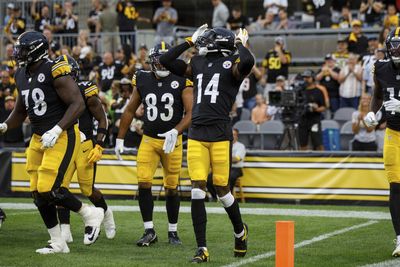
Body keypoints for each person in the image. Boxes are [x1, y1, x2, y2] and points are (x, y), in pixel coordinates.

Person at [0, 31, 104, 254]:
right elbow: (20, 111)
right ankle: (58, 242)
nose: (18, 53)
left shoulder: (54, 70)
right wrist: (5, 126)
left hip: (62, 135)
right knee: (38, 193)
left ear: (37, 50)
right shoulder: (21, 74)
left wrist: (57, 129)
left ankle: (90, 213)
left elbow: (77, 104)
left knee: (51, 188)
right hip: (38, 137)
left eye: (23, 49)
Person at [160, 25, 253, 262]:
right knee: (197, 189)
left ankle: (240, 231)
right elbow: (166, 59)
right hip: (197, 132)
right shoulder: (198, 63)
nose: (204, 42)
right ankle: (202, 248)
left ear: (219, 43)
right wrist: (190, 40)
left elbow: (248, 62)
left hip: (220, 132)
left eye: (207, 39)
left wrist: (241, 44)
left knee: (222, 189)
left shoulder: (233, 63)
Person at [115, 42, 193, 247]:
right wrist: (120, 137)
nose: (161, 64)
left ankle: (173, 232)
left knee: (172, 187)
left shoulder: (182, 79)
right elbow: (130, 109)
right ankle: (149, 230)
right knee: (143, 183)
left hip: (172, 141)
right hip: (148, 139)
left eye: (163, 60)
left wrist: (176, 131)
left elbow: (191, 112)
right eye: (157, 60)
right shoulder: (141, 78)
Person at [54, 55, 116, 243]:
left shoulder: (85, 90)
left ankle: (106, 214)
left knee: (87, 189)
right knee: (59, 187)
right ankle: (65, 230)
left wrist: (99, 144)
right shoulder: (53, 93)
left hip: (84, 145)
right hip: (64, 143)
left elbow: (103, 118)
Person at [364, 27, 400, 256]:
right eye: (394, 44)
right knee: (396, 187)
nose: (396, 49)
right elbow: (378, 95)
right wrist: (372, 113)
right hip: (394, 134)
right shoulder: (380, 68)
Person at [298, 70, 326, 150]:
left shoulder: (318, 91)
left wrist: (316, 108)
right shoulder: (300, 91)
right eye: (304, 77)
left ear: (313, 78)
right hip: (302, 120)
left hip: (314, 120)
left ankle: (322, 160)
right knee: (302, 144)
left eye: (308, 77)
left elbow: (324, 107)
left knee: (318, 144)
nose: (305, 79)